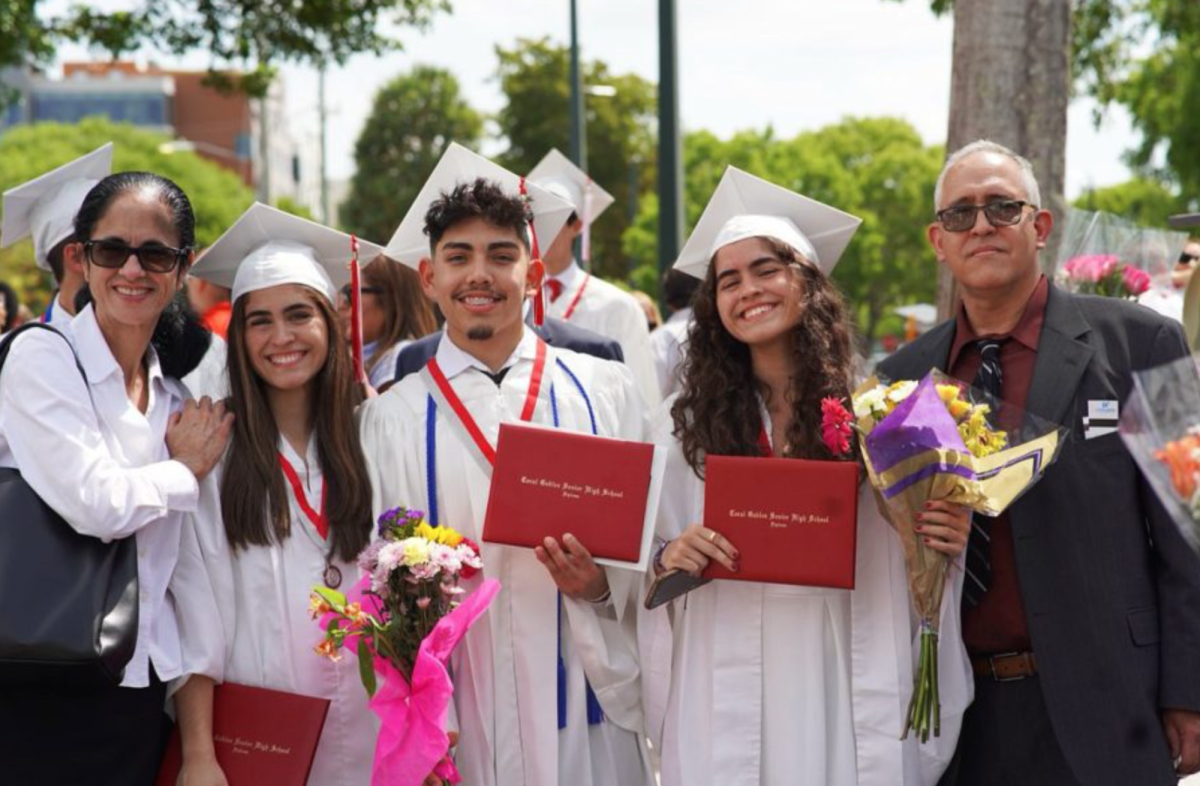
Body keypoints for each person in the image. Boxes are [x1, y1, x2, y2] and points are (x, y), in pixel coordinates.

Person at [880, 139, 1200, 786]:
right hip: (962, 720)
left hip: (1115, 703)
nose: (981, 226)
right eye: (960, 215)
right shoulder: (901, 380)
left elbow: (1189, 531)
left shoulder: (1145, 342)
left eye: (1003, 207)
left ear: (1040, 226)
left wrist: (1189, 692)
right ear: (938, 241)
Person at [645, 166, 972, 786]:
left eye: (767, 269)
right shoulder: (679, 423)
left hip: (840, 657)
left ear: (808, 282)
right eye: (728, 281)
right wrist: (669, 555)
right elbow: (648, 559)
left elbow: (911, 557)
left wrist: (939, 536)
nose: (749, 290)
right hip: (722, 661)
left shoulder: (880, 412)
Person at [361, 143, 654, 786]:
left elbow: (652, 543)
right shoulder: (389, 420)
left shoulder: (605, 392)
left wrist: (602, 587)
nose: (479, 275)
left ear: (533, 272)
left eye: (501, 255)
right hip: (461, 711)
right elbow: (372, 576)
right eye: (458, 257)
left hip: (585, 692)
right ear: (427, 277)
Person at [0, 171, 232, 786]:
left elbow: (183, 576)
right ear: (81, 257)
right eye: (112, 250)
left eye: (155, 253)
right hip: (33, 683)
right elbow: (97, 505)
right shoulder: (42, 357)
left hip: (135, 698)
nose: (133, 270)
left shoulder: (174, 396)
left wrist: (200, 748)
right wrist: (182, 472)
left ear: (182, 269)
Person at [171, 202, 386, 786]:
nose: (281, 337)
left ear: (332, 321)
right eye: (259, 321)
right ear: (237, 336)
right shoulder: (213, 452)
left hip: (378, 732)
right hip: (261, 735)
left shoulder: (377, 436)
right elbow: (196, 612)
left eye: (298, 315)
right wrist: (198, 754)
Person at [528, 148, 662, 407]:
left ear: (577, 226)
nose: (540, 230)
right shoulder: (508, 301)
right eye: (533, 219)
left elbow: (642, 401)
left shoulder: (618, 307)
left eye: (554, 219)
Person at [0, 143, 113, 328]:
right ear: (76, 256)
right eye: (113, 247)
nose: (133, 265)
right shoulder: (24, 349)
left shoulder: (148, 345)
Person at [337, 253, 437, 390]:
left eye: (350, 292)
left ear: (390, 300)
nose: (341, 304)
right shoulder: (366, 353)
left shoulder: (400, 359)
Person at [649, 269, 699, 399]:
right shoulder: (724, 328)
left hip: (676, 416)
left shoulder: (661, 338)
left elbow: (654, 392)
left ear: (668, 302)